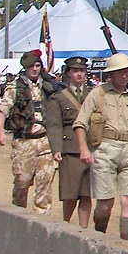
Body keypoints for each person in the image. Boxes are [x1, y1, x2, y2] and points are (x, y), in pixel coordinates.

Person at [73, 53, 128, 240]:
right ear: (111, 74)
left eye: (127, 71)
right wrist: (83, 148)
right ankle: (100, 235)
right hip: (105, 149)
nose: (124, 76)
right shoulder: (98, 94)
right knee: (105, 203)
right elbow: (80, 123)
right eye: (120, 72)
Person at [0, 50, 59, 213]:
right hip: (24, 141)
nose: (35, 69)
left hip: (45, 140)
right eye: (31, 66)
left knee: (45, 181)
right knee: (22, 181)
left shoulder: (49, 86)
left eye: (38, 65)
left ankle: (42, 217)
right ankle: (18, 215)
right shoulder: (15, 87)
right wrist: (1, 133)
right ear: (25, 67)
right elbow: (2, 109)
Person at [45, 57, 92, 226]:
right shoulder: (58, 97)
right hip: (70, 149)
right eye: (75, 71)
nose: (79, 74)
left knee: (87, 193)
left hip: (91, 147)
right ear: (67, 73)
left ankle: (84, 228)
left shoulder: (93, 94)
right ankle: (66, 224)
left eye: (82, 70)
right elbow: (54, 125)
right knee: (70, 192)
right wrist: (56, 148)